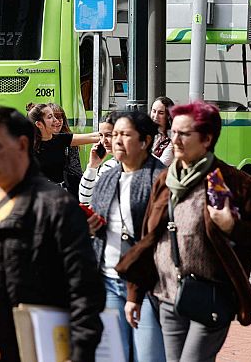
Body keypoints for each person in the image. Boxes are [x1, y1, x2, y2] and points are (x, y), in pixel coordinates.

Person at [116, 101, 251, 362]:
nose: (175, 140)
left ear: (207, 139)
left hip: (211, 296)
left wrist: (232, 227)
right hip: (167, 296)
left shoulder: (232, 181)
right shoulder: (165, 179)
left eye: (184, 134)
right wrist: (134, 294)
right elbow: (149, 240)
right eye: (173, 132)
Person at [0, 106, 105, 362]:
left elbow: (85, 292)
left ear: (22, 145)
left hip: (34, 351)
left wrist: (79, 353)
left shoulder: (55, 206)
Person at [88, 111, 166, 361]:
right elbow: (100, 226)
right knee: (113, 356)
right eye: (115, 134)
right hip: (108, 280)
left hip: (149, 284)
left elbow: (157, 237)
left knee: (148, 355)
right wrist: (92, 227)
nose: (117, 141)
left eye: (125, 135)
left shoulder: (160, 178)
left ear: (145, 141)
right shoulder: (107, 177)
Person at [26, 103, 99, 189]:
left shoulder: (61, 139)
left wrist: (109, 133)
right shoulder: (29, 148)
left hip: (61, 191)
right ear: (39, 124)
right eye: (50, 117)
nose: (56, 120)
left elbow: (93, 137)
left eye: (55, 116)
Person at [79, 112, 119, 205]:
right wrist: (92, 166)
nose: (103, 141)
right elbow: (85, 200)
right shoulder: (108, 166)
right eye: (101, 135)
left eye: (108, 135)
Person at [48, 103, 83, 198]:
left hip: (68, 191)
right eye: (53, 118)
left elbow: (76, 170)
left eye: (60, 118)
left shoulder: (70, 141)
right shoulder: (38, 143)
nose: (57, 121)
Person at [149, 96, 174, 167]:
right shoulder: (146, 132)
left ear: (168, 116)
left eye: (161, 113)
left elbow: (163, 164)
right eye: (154, 111)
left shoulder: (172, 137)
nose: (155, 116)